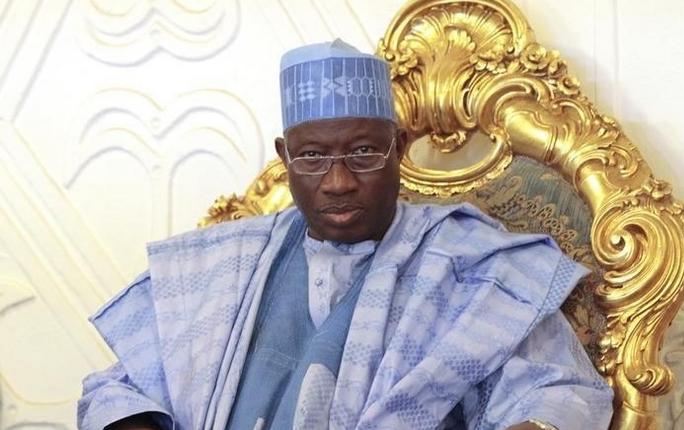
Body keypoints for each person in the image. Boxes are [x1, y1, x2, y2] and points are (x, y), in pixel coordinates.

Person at [77, 39, 613, 430]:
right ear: (285, 157)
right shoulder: (222, 264)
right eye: (312, 156)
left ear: (399, 147)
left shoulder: (473, 265)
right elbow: (117, 387)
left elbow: (558, 393)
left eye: (364, 152)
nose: (338, 182)